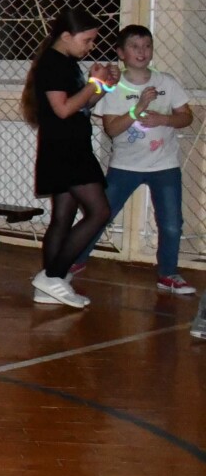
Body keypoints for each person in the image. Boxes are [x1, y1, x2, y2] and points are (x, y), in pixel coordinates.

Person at [72, 24, 194, 295]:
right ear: (121, 53)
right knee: (100, 215)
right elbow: (112, 129)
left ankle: (168, 273)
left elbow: (186, 116)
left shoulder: (166, 82)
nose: (142, 51)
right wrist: (137, 109)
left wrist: (165, 119)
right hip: (125, 166)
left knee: (171, 223)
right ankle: (74, 260)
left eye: (147, 46)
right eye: (135, 46)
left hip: (165, 165)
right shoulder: (115, 87)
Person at [23, 8, 117, 310]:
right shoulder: (53, 63)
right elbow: (62, 109)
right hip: (66, 149)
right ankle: (53, 276)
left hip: (69, 145)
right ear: (66, 36)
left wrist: (102, 86)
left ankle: (49, 284)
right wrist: (92, 83)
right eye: (87, 40)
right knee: (99, 211)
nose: (91, 46)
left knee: (63, 217)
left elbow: (82, 105)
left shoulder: (66, 62)